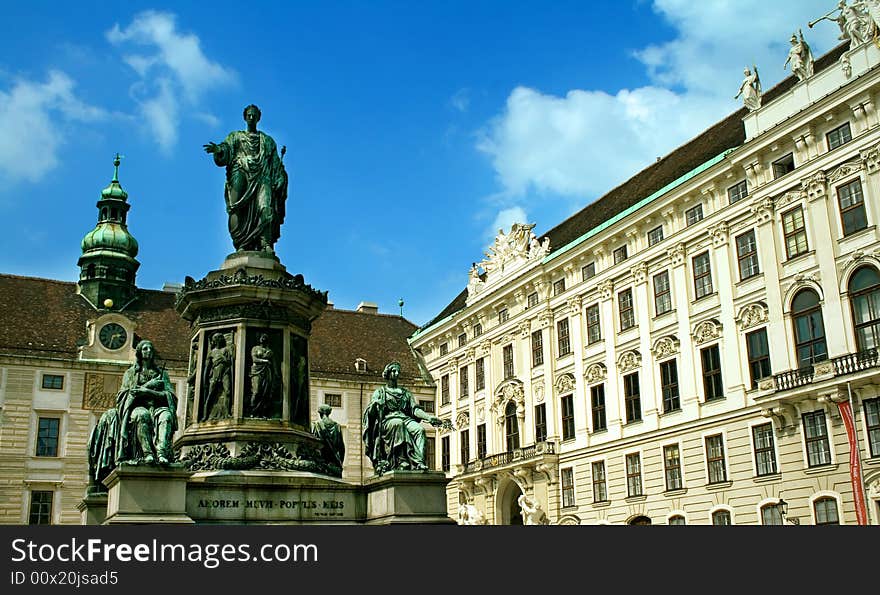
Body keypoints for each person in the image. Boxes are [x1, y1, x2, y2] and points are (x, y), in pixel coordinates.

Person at [204, 104, 288, 253]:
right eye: (249, 115)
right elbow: (227, 149)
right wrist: (219, 150)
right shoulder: (235, 136)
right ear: (244, 117)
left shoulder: (268, 141)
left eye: (254, 115)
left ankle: (265, 243)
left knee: (265, 208)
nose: (251, 117)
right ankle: (241, 243)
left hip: (263, 178)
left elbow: (276, 164)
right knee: (236, 208)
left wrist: (280, 177)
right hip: (241, 172)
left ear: (258, 118)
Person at [362, 361, 443, 474]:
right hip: (388, 420)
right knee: (398, 424)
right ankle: (402, 461)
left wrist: (429, 418)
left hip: (405, 419)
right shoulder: (380, 392)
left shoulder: (405, 393)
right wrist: (376, 405)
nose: (396, 373)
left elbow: (415, 409)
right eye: (394, 371)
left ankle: (419, 463)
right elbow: (371, 412)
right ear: (388, 374)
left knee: (420, 430)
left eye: (398, 371)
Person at [201, 332, 233, 421]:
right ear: (215, 340)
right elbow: (207, 368)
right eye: (218, 338)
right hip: (215, 374)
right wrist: (204, 381)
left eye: (221, 337)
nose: (221, 339)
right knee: (210, 394)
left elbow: (230, 363)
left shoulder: (226, 350)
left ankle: (227, 413)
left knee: (228, 392)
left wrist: (226, 358)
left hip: (225, 373)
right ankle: (205, 415)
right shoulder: (211, 353)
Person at [249, 333, 280, 418]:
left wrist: (277, 374)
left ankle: (261, 413)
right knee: (256, 392)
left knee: (265, 393)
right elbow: (254, 359)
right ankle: (252, 411)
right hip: (256, 371)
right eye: (262, 337)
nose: (263, 338)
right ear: (259, 339)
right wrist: (265, 361)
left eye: (265, 337)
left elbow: (274, 364)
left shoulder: (270, 351)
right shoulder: (255, 348)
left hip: (267, 372)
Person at [312, 404, 345, 473]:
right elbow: (341, 447)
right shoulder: (337, 426)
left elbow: (314, 445)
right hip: (334, 462)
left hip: (322, 463)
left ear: (321, 413)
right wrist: (340, 461)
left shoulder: (317, 425)